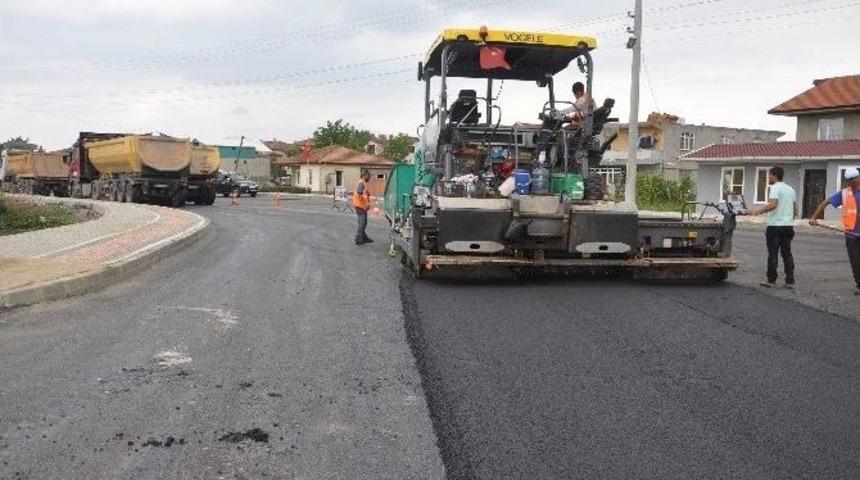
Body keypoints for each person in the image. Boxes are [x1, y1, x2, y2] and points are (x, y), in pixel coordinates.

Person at [809, 167, 860, 294]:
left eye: (853, 180)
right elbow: (825, 202)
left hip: (852, 234)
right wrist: (814, 217)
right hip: (851, 234)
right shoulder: (844, 193)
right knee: (855, 261)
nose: (851, 182)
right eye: (849, 180)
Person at [744, 166, 797, 288]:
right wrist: (788, 219)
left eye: (769, 176)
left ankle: (771, 280)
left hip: (775, 226)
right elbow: (795, 210)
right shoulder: (791, 190)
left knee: (773, 253)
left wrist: (757, 212)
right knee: (787, 254)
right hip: (788, 226)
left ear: (775, 176)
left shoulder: (774, 188)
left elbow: (773, 204)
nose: (768, 178)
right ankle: (790, 280)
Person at [353, 169, 373, 245]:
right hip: (360, 205)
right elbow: (360, 192)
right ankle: (358, 239)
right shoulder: (361, 183)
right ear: (364, 175)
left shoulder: (363, 183)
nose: (369, 178)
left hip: (361, 205)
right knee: (362, 223)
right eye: (369, 176)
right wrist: (367, 203)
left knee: (363, 222)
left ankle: (363, 237)